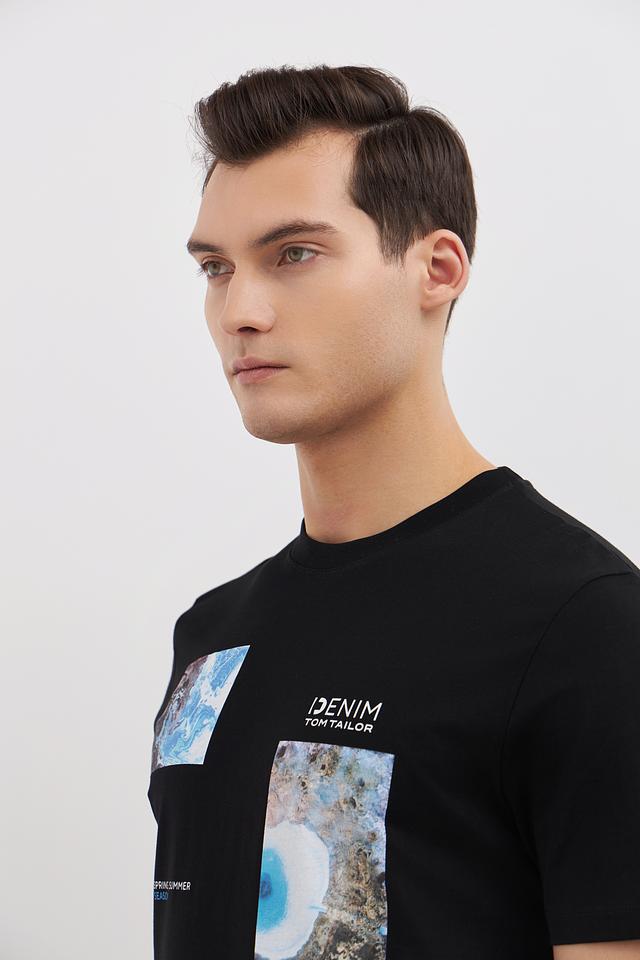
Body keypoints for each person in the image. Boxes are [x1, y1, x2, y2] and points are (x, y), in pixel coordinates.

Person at [147, 63, 640, 960]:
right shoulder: (210, 642)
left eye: (294, 254)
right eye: (216, 268)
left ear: (436, 270)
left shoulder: (584, 625)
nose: (239, 311)